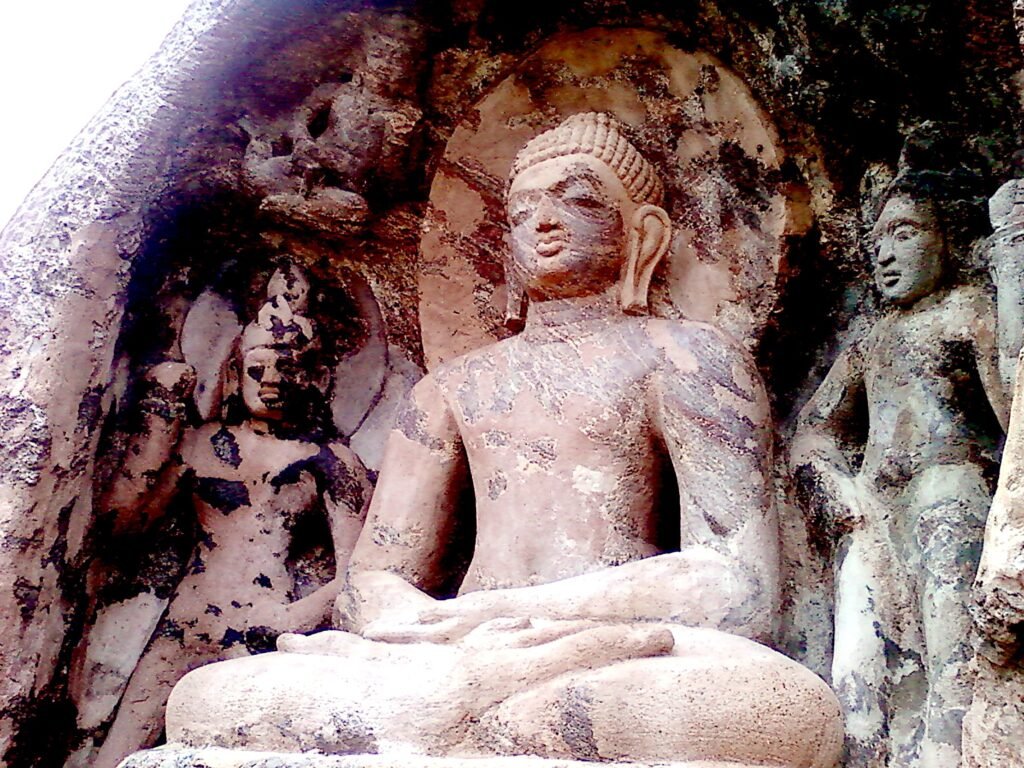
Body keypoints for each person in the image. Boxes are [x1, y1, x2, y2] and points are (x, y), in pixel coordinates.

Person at [164, 113, 843, 768]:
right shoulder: (451, 388)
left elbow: (737, 584)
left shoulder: (689, 358)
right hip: (445, 654)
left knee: (776, 709)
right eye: (520, 212)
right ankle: (465, 717)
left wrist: (505, 615)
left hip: (604, 653)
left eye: (576, 199)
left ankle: (451, 722)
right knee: (205, 700)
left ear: (645, 233)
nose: (543, 222)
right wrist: (425, 626)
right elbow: (371, 581)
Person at [92, 264, 372, 768]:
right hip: (187, 619)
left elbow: (364, 571)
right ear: (233, 372)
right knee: (118, 751)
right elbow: (122, 526)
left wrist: (291, 621)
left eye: (289, 369)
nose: (271, 383)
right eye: (257, 370)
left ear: (318, 376)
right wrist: (161, 419)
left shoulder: (329, 458)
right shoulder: (202, 445)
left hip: (275, 623)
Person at [791, 134, 1006, 768]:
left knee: (950, 644)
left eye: (906, 233)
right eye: (879, 239)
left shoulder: (967, 311)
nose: (886, 254)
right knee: (856, 658)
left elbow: (1010, 410)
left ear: (948, 239)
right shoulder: (871, 339)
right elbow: (813, 428)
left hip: (948, 492)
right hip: (872, 506)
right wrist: (837, 490)